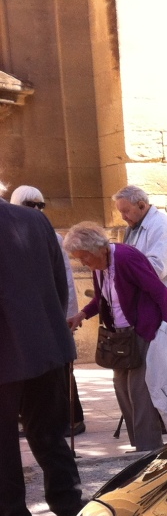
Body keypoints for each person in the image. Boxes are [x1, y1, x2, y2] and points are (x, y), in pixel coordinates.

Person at [0, 185, 84, 516]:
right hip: (46, 344)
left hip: (8, 352)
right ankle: (70, 509)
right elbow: (59, 285)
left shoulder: (33, 221)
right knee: (50, 434)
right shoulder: (35, 220)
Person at [65, 222, 167, 453]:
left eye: (84, 257)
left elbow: (161, 293)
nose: (83, 263)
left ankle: (149, 447)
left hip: (142, 332)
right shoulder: (99, 265)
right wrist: (82, 315)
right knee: (122, 388)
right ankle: (139, 445)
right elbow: (102, 299)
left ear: (97, 249)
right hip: (119, 338)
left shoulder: (125, 258)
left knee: (139, 391)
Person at [8, 185, 86, 436]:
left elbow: (64, 280)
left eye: (40, 205)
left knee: (58, 373)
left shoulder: (51, 236)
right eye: (30, 205)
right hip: (25, 322)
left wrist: (66, 315)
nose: (36, 210)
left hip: (46, 319)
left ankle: (72, 419)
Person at [113, 185, 167, 348]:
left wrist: (123, 277)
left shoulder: (161, 225)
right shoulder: (133, 228)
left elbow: (156, 269)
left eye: (126, 211)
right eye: (121, 212)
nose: (123, 217)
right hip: (145, 308)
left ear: (141, 205)